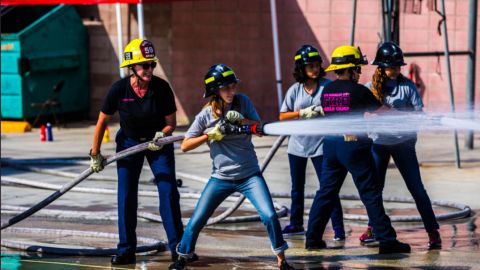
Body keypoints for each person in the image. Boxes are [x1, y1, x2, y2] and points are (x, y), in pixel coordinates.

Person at [168, 64, 294, 270]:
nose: (231, 91)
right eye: (226, 88)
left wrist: (239, 120)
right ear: (214, 91)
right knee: (198, 219)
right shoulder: (205, 116)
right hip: (221, 178)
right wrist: (210, 134)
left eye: (233, 86)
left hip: (250, 176)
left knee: (270, 215)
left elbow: (258, 127)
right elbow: (184, 145)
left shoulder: (242, 102)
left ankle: (282, 260)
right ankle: (182, 257)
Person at [305, 45, 411, 254]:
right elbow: (382, 111)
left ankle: (313, 238)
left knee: (326, 192)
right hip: (354, 145)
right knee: (370, 193)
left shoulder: (327, 90)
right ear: (350, 69)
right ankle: (387, 241)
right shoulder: (359, 90)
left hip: (331, 146)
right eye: (357, 68)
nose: (359, 73)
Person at [89, 39, 184, 265]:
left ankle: (179, 248)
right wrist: (95, 153)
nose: (150, 69)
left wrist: (162, 135)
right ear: (132, 67)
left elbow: (172, 122)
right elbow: (102, 121)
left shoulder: (161, 88)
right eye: (144, 66)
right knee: (126, 195)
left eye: (152, 64)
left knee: (168, 192)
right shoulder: (119, 89)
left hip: (157, 144)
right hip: (129, 144)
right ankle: (126, 250)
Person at [358, 41, 441, 249]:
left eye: (397, 66)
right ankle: (373, 227)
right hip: (378, 143)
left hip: (403, 144)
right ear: (381, 67)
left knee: (417, 188)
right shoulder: (370, 88)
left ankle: (432, 231)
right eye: (391, 66)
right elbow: (363, 110)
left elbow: (418, 113)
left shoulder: (407, 87)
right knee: (375, 189)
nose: (395, 70)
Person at [279, 44, 345, 240]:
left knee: (328, 187)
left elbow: (340, 109)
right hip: (297, 146)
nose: (315, 69)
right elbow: (283, 116)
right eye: (310, 66)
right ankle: (296, 223)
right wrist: (301, 113)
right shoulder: (295, 91)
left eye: (317, 65)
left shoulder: (327, 87)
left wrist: (325, 111)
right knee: (297, 187)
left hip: (321, 145)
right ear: (301, 69)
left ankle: (338, 228)